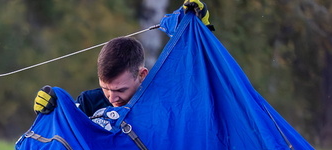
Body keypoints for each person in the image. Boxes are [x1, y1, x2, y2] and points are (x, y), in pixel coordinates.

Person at [34, 0, 214, 118]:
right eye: (106, 88)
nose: (112, 97)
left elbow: (199, 81)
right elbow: (64, 124)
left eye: (120, 89)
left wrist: (199, 32)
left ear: (142, 75)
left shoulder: (164, 98)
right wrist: (51, 108)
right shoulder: (89, 102)